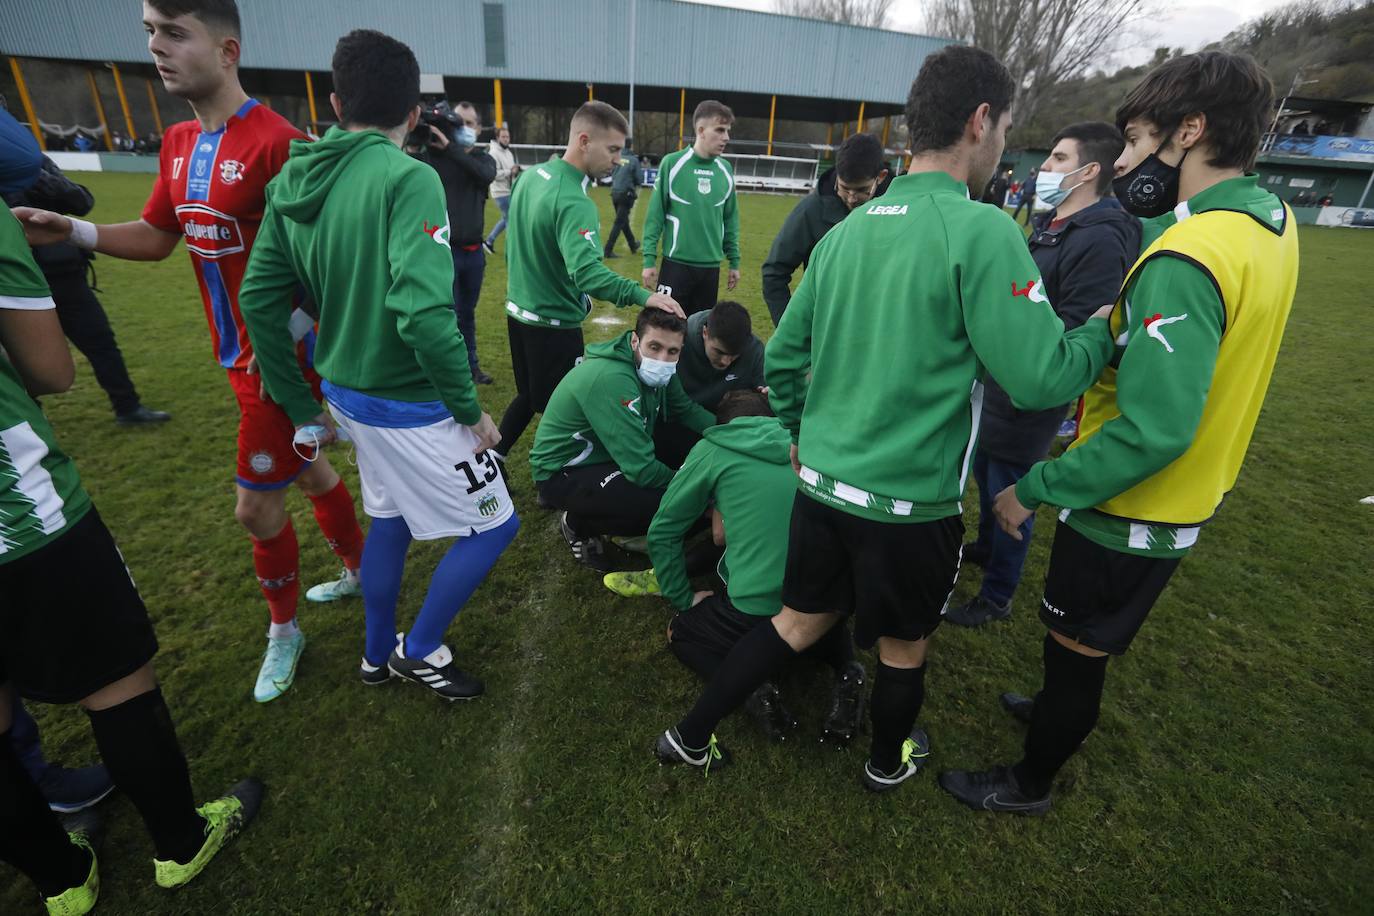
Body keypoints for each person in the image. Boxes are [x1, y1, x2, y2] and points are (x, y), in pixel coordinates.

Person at [654, 45, 1116, 789]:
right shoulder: (984, 230)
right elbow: (1038, 380)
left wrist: (802, 430)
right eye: (1007, 126)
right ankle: (885, 762)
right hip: (910, 503)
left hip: (824, 486)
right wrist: (1098, 329)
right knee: (904, 646)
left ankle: (689, 733)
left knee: (796, 621)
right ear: (981, 121)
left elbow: (788, 352)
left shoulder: (848, 231)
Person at [940, 50, 1299, 815]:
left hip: (1132, 506)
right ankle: (1051, 709)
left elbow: (1154, 430)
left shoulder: (1188, 254)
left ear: (1190, 132)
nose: (1127, 159)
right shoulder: (1268, 223)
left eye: (1135, 140)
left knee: (1078, 655)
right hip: (1189, 493)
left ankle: (1028, 781)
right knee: (1073, 650)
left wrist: (1032, 489)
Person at [13, 0, 367, 705]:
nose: (156, 47)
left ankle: (285, 630)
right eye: (150, 32)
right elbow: (156, 235)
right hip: (234, 360)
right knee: (309, 474)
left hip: (276, 369)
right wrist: (74, 231)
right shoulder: (177, 143)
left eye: (175, 33)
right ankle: (361, 567)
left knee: (254, 511)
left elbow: (333, 267)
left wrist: (285, 350)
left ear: (227, 50)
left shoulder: (279, 142)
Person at [240, 29, 518, 702]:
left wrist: (301, 405)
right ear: (415, 115)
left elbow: (258, 300)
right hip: (407, 402)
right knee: (497, 523)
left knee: (390, 519)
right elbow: (424, 315)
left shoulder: (293, 177)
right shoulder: (408, 176)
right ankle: (418, 651)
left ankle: (374, 654)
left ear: (337, 103)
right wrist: (468, 409)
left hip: (345, 396)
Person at [0, 205, 261, 915]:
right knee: (114, 678)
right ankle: (180, 843)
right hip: (20, 515)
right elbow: (52, 370)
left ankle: (59, 880)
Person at [949, 122, 1140, 628]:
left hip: (1031, 391)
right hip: (1001, 384)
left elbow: (1082, 329)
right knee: (989, 473)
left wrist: (1024, 349)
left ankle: (997, 595)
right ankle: (988, 548)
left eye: (1058, 158)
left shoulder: (1101, 238)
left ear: (1090, 171)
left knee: (1012, 487)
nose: (1045, 169)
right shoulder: (1055, 225)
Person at [630, 390, 868, 745]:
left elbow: (668, 531)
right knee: (821, 612)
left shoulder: (714, 450)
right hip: (828, 595)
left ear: (723, 426)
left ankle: (750, 688)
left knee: (680, 633)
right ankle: (849, 670)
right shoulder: (811, 441)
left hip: (757, 608)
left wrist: (683, 597)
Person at [493, 101, 680, 458]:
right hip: (552, 325)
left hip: (518, 313)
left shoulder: (532, 176)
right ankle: (559, 479)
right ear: (583, 140)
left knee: (532, 396)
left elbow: (522, 246)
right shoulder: (575, 200)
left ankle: (493, 458)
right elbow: (588, 273)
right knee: (569, 409)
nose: (617, 160)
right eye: (612, 149)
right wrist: (643, 296)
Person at [529, 307, 714, 570]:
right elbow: (643, 470)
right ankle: (578, 523)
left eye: (672, 351)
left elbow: (684, 409)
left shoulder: (661, 370)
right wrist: (696, 488)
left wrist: (730, 432)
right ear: (634, 341)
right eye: (654, 347)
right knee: (670, 504)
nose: (662, 358)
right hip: (564, 471)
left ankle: (617, 513)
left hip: (610, 454)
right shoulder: (612, 378)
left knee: (688, 444)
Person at [3, 153, 171, 424]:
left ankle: (128, 407)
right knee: (16, 358)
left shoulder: (32, 161)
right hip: (14, 283)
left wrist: (35, 176)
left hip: (64, 275)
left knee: (101, 342)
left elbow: (82, 201)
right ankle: (29, 423)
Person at [406, 99, 496, 385]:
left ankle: (471, 366)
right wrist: (415, 147)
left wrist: (451, 147)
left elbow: (484, 174)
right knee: (446, 315)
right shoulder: (435, 159)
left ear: (479, 128)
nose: (464, 128)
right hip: (445, 252)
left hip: (474, 255)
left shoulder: (483, 159)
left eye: (470, 123)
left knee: (466, 314)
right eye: (459, 122)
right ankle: (445, 371)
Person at [761, 132, 890, 325]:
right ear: (837, 173)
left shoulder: (903, 210)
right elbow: (774, 271)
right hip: (827, 327)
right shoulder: (811, 210)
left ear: (881, 177)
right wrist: (788, 327)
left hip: (881, 328)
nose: (852, 198)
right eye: (845, 188)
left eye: (862, 190)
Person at [641, 100, 740, 315]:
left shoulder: (725, 169)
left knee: (699, 335)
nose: (726, 137)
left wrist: (734, 261)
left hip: (710, 270)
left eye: (727, 131)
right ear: (701, 130)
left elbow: (730, 218)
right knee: (665, 327)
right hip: (676, 267)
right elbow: (655, 215)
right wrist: (649, 260)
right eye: (720, 130)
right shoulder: (672, 163)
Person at [653, 299, 764, 468]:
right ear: (705, 332)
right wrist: (727, 433)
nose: (726, 361)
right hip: (675, 423)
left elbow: (766, 398)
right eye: (719, 352)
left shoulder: (754, 350)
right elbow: (679, 406)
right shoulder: (678, 341)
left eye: (734, 355)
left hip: (726, 429)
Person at [603, 137, 643, 258]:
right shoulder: (633, 160)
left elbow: (611, 173)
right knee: (620, 222)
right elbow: (639, 179)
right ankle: (608, 250)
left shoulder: (617, 158)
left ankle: (632, 244)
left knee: (623, 221)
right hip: (626, 194)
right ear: (631, 146)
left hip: (615, 193)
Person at [483, 126, 517, 254]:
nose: (506, 139)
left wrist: (515, 171)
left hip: (509, 191)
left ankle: (489, 241)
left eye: (507, 136)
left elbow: (510, 171)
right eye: (503, 136)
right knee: (511, 220)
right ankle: (512, 250)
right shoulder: (493, 153)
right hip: (500, 193)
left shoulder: (508, 152)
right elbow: (493, 174)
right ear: (498, 138)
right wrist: (510, 171)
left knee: (506, 218)